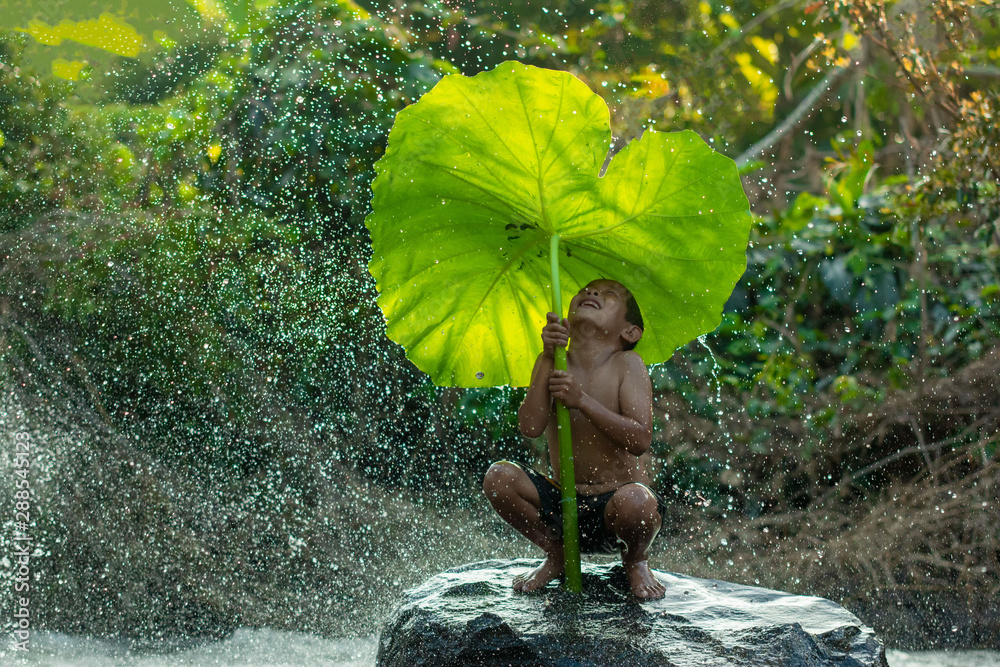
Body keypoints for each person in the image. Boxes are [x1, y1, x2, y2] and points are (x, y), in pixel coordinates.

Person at [483, 279, 667, 599]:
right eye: (585, 290)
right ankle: (557, 554)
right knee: (499, 477)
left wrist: (583, 401)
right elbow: (529, 426)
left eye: (608, 295)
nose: (592, 294)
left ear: (630, 332)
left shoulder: (628, 365)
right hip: (563, 504)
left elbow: (640, 438)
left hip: (615, 506)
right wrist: (546, 356)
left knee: (637, 501)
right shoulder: (553, 362)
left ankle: (636, 560)